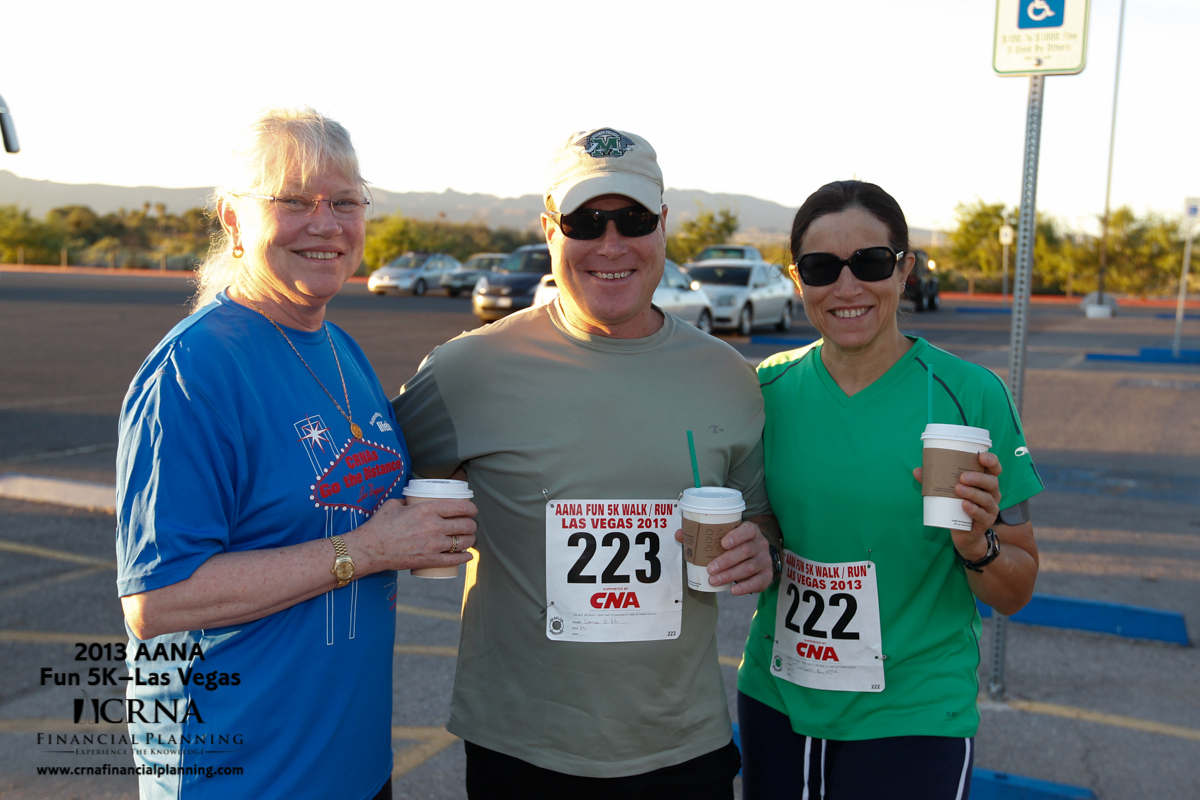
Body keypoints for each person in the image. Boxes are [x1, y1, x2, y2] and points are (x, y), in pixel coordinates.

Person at [392, 127, 777, 799]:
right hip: (520, 752)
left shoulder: (727, 378)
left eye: (631, 220)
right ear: (549, 230)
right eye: (584, 221)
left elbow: (765, 522)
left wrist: (758, 548)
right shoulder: (466, 370)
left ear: (663, 226)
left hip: (683, 750)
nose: (610, 244)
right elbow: (368, 488)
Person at [115, 107, 477, 800]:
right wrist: (369, 550)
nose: (325, 223)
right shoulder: (193, 374)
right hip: (242, 777)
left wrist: (419, 529)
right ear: (233, 220)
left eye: (344, 201)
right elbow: (156, 599)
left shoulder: (341, 349)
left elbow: (350, 506)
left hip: (354, 766)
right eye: (293, 200)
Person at [736, 180, 1043, 800]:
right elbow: (764, 537)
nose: (847, 288)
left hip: (914, 716)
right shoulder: (764, 391)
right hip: (777, 702)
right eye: (822, 268)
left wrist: (976, 544)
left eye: (870, 263)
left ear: (904, 270)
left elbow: (1017, 588)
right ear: (798, 279)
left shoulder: (971, 395)